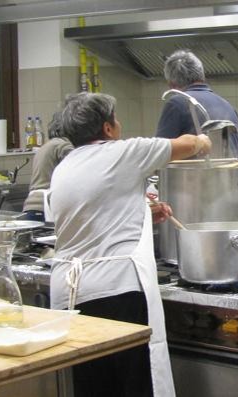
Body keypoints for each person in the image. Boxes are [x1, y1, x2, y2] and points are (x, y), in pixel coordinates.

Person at [49, 92, 210, 397]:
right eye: (116, 119)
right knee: (134, 385)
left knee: (95, 387)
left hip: (70, 297)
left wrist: (142, 212)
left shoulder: (65, 167)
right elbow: (189, 145)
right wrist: (206, 140)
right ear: (108, 128)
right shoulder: (124, 153)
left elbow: (96, 210)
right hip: (117, 293)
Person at [155, 49, 238, 158]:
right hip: (231, 175)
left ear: (171, 84)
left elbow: (160, 154)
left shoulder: (176, 103)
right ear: (202, 76)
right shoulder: (228, 106)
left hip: (195, 175)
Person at [23, 101, 75, 222]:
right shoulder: (63, 146)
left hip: (31, 205)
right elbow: (76, 171)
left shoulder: (46, 146)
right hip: (45, 207)